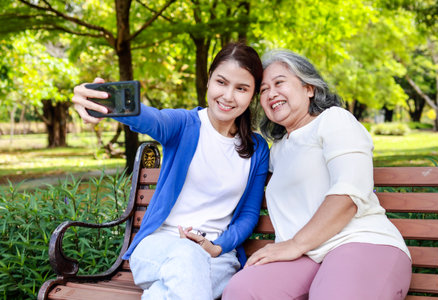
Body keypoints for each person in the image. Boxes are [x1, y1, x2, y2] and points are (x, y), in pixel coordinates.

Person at [72, 43, 269, 300]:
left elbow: (249, 215)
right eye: (222, 82)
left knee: (165, 292)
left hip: (216, 258)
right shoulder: (184, 125)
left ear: (252, 95)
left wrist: (217, 247)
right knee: (186, 257)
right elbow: (150, 118)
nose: (229, 96)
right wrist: (106, 100)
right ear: (208, 81)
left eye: (241, 88)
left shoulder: (256, 149)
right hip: (158, 248)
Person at [222, 49, 412, 300]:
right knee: (242, 291)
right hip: (304, 256)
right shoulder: (277, 151)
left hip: (359, 241)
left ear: (309, 88)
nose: (271, 93)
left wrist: (295, 244)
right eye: (263, 90)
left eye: (279, 82)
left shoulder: (334, 120)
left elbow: (348, 194)